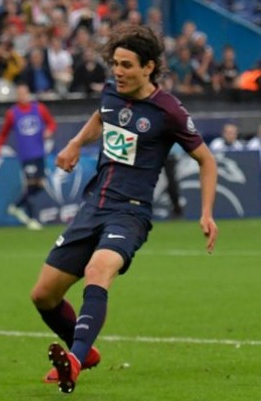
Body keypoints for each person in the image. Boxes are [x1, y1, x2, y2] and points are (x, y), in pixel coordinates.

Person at [29, 24, 218, 394]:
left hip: (129, 213)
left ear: (149, 67)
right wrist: (75, 143)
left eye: (127, 65)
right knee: (43, 295)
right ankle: (86, 353)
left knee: (98, 269)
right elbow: (101, 117)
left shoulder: (168, 110)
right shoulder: (111, 92)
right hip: (93, 207)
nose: (118, 71)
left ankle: (74, 360)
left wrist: (207, 213)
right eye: (115, 64)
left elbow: (206, 160)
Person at [0, 83, 57, 230]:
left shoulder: (39, 108)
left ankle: (17, 205)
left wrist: (49, 131)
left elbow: (52, 123)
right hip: (26, 155)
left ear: (28, 94)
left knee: (40, 184)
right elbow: (3, 134)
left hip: (39, 153)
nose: (22, 96)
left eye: (24, 93)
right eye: (19, 94)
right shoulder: (12, 113)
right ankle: (32, 218)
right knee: (31, 183)